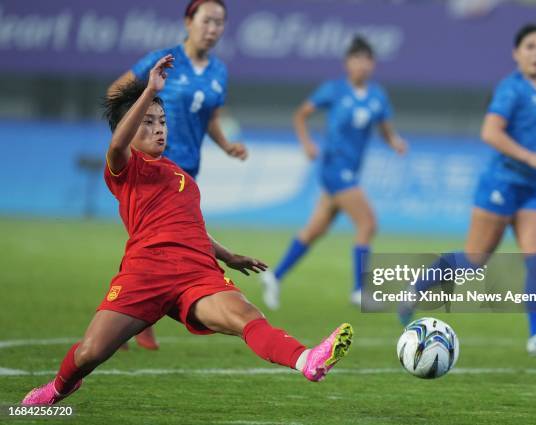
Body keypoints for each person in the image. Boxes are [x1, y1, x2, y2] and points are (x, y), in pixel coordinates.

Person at [22, 56, 353, 406]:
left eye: (162, 121)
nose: (159, 129)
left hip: (196, 272)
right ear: (128, 128)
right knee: (90, 352)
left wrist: (228, 255)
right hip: (145, 271)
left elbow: (190, 229)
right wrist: (150, 89)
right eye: (148, 123)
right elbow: (117, 146)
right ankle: (59, 387)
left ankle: (307, 360)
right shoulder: (126, 168)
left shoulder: (183, 179)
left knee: (248, 317)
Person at [398, 24, 536, 356]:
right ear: (516, 53)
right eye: (530, 46)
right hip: (500, 185)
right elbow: (490, 131)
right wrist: (530, 156)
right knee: (474, 261)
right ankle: (415, 290)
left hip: (531, 189)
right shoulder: (510, 89)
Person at [109, 0, 246, 349]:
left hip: (187, 171)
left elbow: (211, 116)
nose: (213, 29)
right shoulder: (163, 60)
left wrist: (226, 144)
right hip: (150, 169)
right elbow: (117, 94)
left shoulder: (219, 72)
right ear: (188, 21)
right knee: (150, 240)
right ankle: (134, 313)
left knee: (170, 242)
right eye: (207, 21)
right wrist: (130, 138)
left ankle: (136, 310)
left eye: (220, 22)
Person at [260, 36, 407, 309]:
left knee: (315, 230)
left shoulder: (378, 96)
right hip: (334, 169)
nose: (361, 65)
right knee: (368, 223)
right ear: (347, 63)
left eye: (366, 60)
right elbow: (301, 114)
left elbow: (385, 129)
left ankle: (274, 276)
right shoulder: (334, 90)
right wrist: (307, 143)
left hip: (351, 171)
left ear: (372, 64)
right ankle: (359, 291)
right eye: (356, 59)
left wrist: (395, 142)